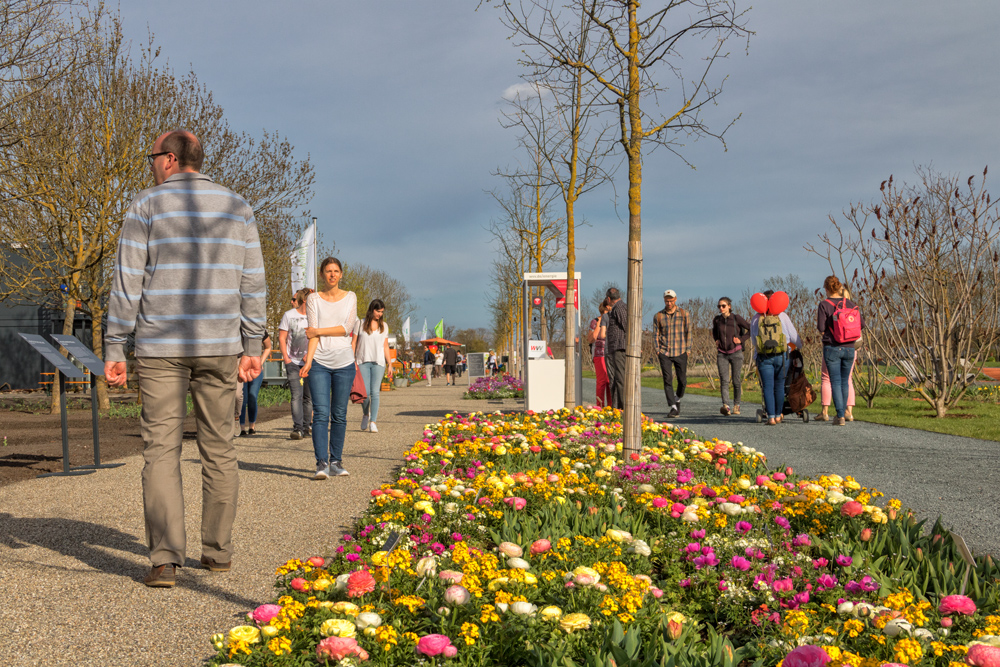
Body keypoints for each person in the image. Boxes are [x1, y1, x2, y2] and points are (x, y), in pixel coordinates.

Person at [104, 129, 265, 587]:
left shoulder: (146, 205)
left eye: (153, 156)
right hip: (219, 344)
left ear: (170, 159)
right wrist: (252, 345)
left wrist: (115, 346)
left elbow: (127, 281)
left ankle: (165, 559)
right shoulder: (238, 208)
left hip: (161, 346)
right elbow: (253, 283)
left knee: (161, 451)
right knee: (220, 447)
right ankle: (217, 552)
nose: (151, 164)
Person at [301, 257, 358, 478]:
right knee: (321, 414)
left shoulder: (350, 297)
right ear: (322, 274)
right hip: (319, 364)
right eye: (328, 271)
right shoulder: (313, 299)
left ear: (341, 274)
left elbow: (347, 328)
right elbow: (311, 333)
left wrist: (317, 331)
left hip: (344, 363)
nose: (332, 274)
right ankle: (321, 463)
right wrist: (308, 362)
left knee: (339, 414)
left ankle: (336, 461)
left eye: (336, 271)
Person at [817, 275, 865, 426]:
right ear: (839, 288)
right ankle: (845, 411)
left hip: (832, 347)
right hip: (850, 348)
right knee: (845, 381)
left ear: (826, 289)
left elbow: (821, 328)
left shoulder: (824, 305)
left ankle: (840, 416)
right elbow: (861, 324)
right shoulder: (850, 303)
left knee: (835, 381)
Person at [750, 290, 802, 426]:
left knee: (767, 386)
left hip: (763, 357)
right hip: (782, 356)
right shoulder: (783, 316)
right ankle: (779, 415)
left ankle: (771, 417)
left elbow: (754, 341)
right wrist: (799, 346)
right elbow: (793, 336)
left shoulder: (756, 318)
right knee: (779, 386)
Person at [279, 289, 313, 440]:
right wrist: (286, 358)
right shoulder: (289, 315)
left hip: (310, 362)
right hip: (292, 361)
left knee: (308, 397)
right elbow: (282, 338)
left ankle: (306, 427)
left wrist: (311, 356)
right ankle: (297, 428)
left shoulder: (315, 317)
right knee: (296, 395)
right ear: (305, 300)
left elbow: (320, 338)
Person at [354, 298, 392, 433]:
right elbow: (353, 342)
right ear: (372, 310)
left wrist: (390, 364)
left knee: (375, 392)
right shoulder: (360, 323)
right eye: (378, 311)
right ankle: (365, 414)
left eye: (382, 312)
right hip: (362, 361)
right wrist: (352, 360)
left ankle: (373, 422)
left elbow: (385, 346)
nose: (380, 314)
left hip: (379, 362)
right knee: (365, 393)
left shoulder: (384, 326)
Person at [653, 289, 690, 418]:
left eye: (671, 300)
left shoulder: (684, 314)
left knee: (682, 380)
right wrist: (657, 350)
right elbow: (656, 334)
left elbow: (688, 332)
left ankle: (677, 397)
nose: (669, 303)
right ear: (664, 300)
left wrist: (688, 349)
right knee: (667, 379)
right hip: (664, 351)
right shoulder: (658, 315)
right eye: (667, 300)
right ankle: (673, 406)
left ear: (675, 299)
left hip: (680, 350)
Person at [712, 296, 751, 416]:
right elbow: (714, 331)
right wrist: (716, 340)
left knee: (736, 380)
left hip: (736, 353)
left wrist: (741, 339)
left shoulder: (736, 318)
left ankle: (737, 405)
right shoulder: (717, 320)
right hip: (722, 354)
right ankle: (726, 406)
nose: (721, 308)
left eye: (723, 306)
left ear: (729, 306)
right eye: (719, 306)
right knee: (724, 380)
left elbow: (751, 328)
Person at [239, 331, 271, 436]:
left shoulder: (259, 330)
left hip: (255, 370)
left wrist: (260, 362)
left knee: (252, 397)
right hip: (241, 369)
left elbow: (268, 347)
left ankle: (252, 426)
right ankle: (241, 427)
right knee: (242, 398)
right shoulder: (238, 329)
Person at [605, 287, 627, 410]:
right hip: (616, 348)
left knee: (620, 378)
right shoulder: (618, 307)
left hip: (620, 347)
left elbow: (627, 325)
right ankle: (618, 406)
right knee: (617, 378)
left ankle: (623, 407)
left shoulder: (619, 308)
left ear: (608, 299)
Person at [587, 300, 610, 407]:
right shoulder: (595, 321)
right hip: (599, 354)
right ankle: (600, 405)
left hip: (610, 354)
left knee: (610, 381)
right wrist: (598, 326)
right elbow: (591, 339)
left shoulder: (612, 322)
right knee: (602, 381)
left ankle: (611, 406)